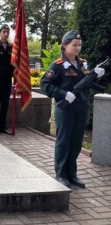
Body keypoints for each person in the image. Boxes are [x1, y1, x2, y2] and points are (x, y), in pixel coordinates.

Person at [41, 30, 105, 188]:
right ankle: (61, 174)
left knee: (76, 141)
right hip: (65, 108)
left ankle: (72, 174)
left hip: (81, 107)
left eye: (79, 45)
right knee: (64, 141)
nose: (78, 48)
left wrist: (96, 74)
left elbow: (86, 81)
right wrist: (63, 94)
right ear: (64, 46)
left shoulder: (82, 63)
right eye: (74, 45)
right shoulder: (57, 66)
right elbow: (45, 84)